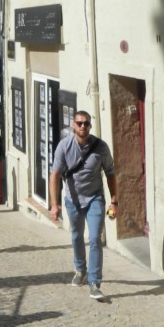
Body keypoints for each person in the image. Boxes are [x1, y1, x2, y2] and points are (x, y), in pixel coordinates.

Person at [49, 110, 118, 300]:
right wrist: (54, 205)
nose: (82, 126)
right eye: (79, 123)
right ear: (73, 125)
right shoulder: (64, 146)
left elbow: (111, 173)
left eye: (86, 123)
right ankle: (80, 269)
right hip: (73, 199)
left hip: (95, 198)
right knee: (76, 235)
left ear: (90, 125)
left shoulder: (101, 147)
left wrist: (114, 201)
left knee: (95, 238)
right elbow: (54, 175)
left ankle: (94, 282)